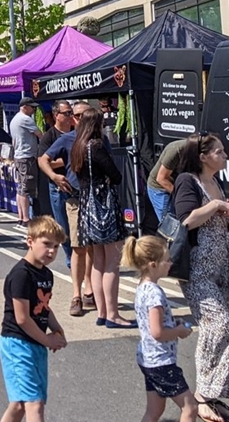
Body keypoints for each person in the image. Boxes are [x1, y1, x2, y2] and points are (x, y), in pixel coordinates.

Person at [174, 133, 229, 422]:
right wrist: (215, 206)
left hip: (221, 265)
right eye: (220, 151)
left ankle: (212, 396)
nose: (225, 156)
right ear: (203, 157)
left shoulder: (217, 183)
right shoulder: (188, 181)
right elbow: (186, 219)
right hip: (196, 268)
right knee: (217, 323)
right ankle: (201, 396)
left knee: (227, 328)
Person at [122, 235, 199, 422]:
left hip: (148, 358)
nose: (170, 263)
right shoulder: (155, 294)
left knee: (154, 410)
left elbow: (152, 324)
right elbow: (157, 332)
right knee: (190, 407)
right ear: (153, 264)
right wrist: (179, 332)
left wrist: (173, 322)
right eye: (167, 260)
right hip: (161, 361)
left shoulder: (142, 288)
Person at [0, 215, 67, 422]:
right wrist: (48, 340)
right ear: (30, 241)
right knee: (34, 404)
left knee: (20, 404)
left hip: (35, 343)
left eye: (56, 247)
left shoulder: (46, 274)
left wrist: (57, 329)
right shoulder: (21, 274)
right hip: (18, 343)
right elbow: (22, 318)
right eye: (46, 244)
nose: (52, 251)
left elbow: (43, 308)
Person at [71, 108, 134, 329]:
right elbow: (115, 176)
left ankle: (102, 312)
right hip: (103, 204)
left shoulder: (77, 146)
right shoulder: (96, 146)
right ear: (96, 124)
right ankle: (113, 314)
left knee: (97, 260)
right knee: (112, 262)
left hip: (86, 205)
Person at [38, 101, 94, 317]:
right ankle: (76, 295)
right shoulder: (62, 138)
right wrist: (54, 176)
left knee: (92, 247)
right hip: (73, 197)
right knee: (76, 244)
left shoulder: (98, 140)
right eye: (74, 115)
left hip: (95, 200)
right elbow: (43, 159)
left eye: (84, 115)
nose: (79, 119)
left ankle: (89, 290)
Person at [10, 97, 42, 228]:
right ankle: (26, 218)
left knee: (20, 187)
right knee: (25, 188)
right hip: (26, 156)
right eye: (32, 107)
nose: (34, 109)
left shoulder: (15, 119)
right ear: (24, 107)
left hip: (19, 155)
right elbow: (40, 134)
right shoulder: (25, 119)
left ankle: (21, 216)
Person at [146, 138, 187, 223]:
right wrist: (180, 197)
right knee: (169, 225)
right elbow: (161, 179)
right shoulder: (176, 150)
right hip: (160, 188)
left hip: (175, 187)